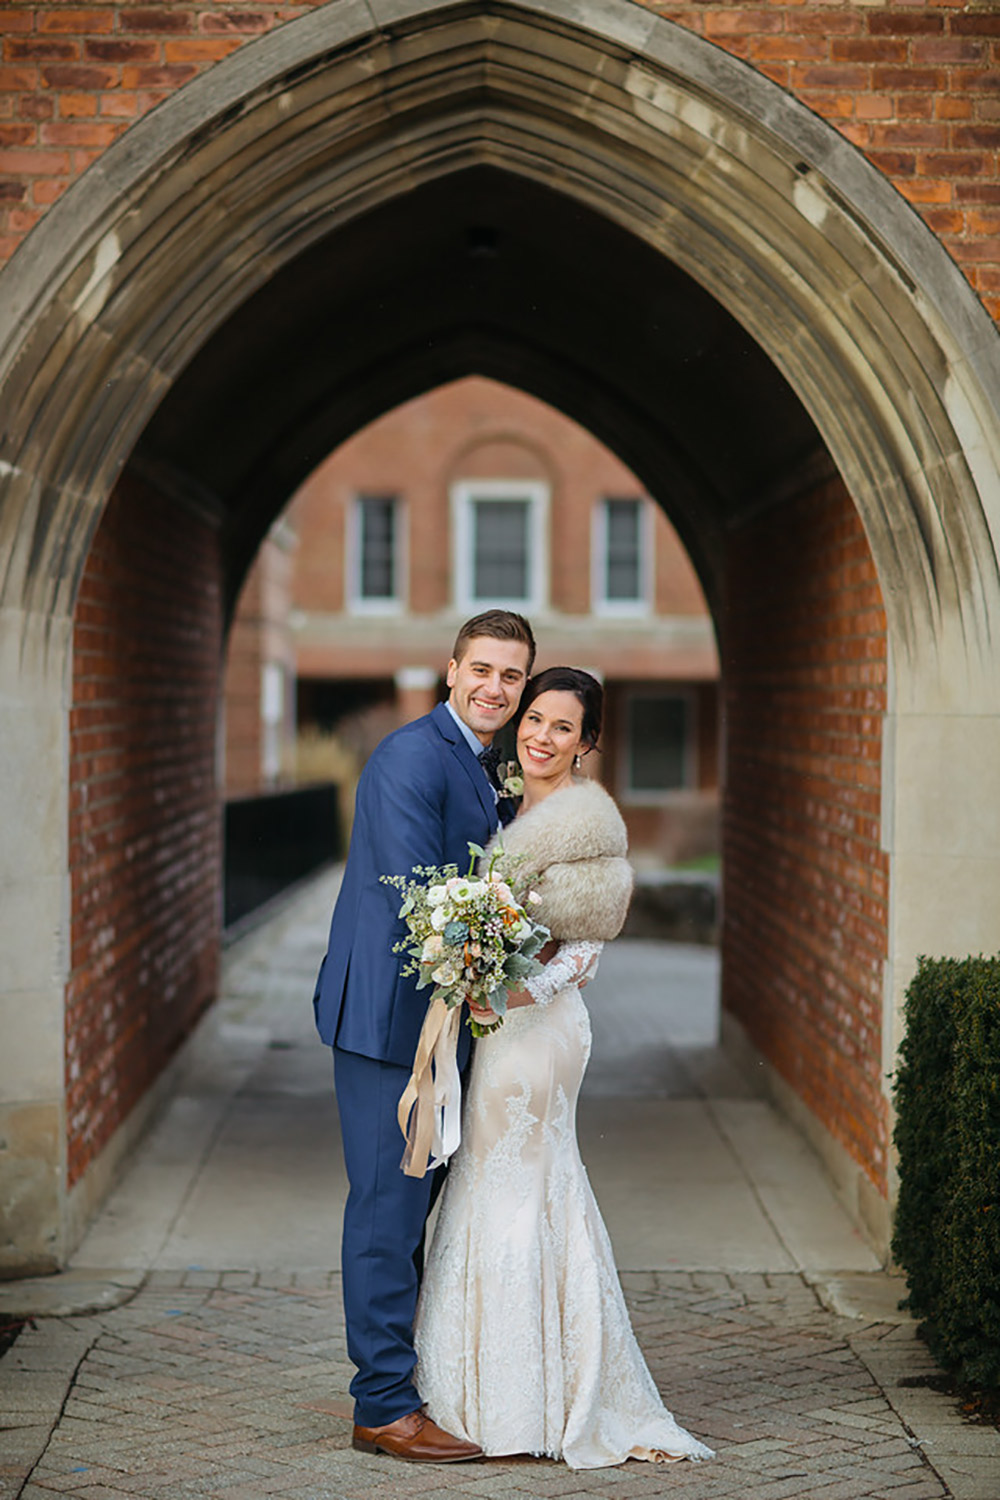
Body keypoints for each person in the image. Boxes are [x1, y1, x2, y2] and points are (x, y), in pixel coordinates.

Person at [412, 667, 715, 1469]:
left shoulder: (584, 822)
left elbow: (583, 951)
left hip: (539, 1032)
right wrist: (470, 970)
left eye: (562, 727)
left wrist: (506, 992)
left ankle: (540, 1396)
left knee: (523, 1183)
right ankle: (482, 1384)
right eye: (534, 719)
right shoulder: (511, 809)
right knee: (491, 1179)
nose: (541, 736)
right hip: (501, 1025)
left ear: (589, 743)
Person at [312, 610, 535, 1464]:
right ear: (450, 670)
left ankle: (398, 1379)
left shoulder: (481, 762)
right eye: (481, 669)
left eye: (511, 677)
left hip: (440, 1024)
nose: (494, 688)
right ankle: (382, 1410)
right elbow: (422, 897)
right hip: (389, 1025)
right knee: (385, 1213)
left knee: (413, 1214)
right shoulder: (410, 755)